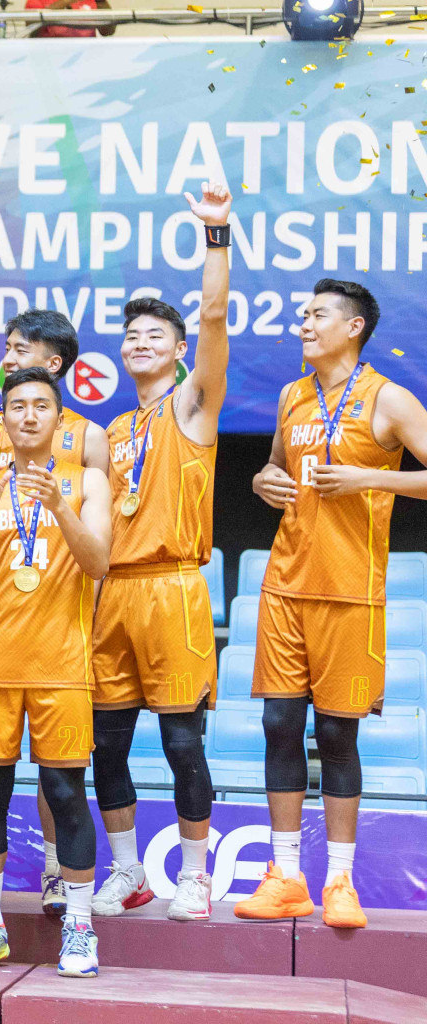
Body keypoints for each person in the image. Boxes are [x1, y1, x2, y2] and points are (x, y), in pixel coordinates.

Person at [240, 278, 427, 930]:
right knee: (279, 727)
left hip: (350, 594)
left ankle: (340, 880)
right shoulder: (293, 395)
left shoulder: (389, 399)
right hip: (286, 586)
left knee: (337, 734)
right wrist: (265, 482)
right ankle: (286, 876)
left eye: (317, 315)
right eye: (303, 314)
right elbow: (272, 470)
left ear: (353, 327)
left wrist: (373, 477)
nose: (303, 325)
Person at [88, 184, 231, 922]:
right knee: (104, 747)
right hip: (112, 593)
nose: (141, 344)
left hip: (173, 588)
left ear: (178, 352)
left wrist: (215, 236)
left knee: (181, 743)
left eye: (156, 337)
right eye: (132, 336)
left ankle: (199, 876)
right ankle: (126, 871)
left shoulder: (192, 408)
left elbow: (212, 315)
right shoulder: (113, 432)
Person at [0, 367, 111, 978]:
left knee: (67, 796)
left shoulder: (88, 479)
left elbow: (99, 564)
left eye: (42, 405)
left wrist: (61, 508)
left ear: (59, 417)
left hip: (61, 665)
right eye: (18, 406)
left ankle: (79, 926)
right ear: (4, 418)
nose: (30, 416)